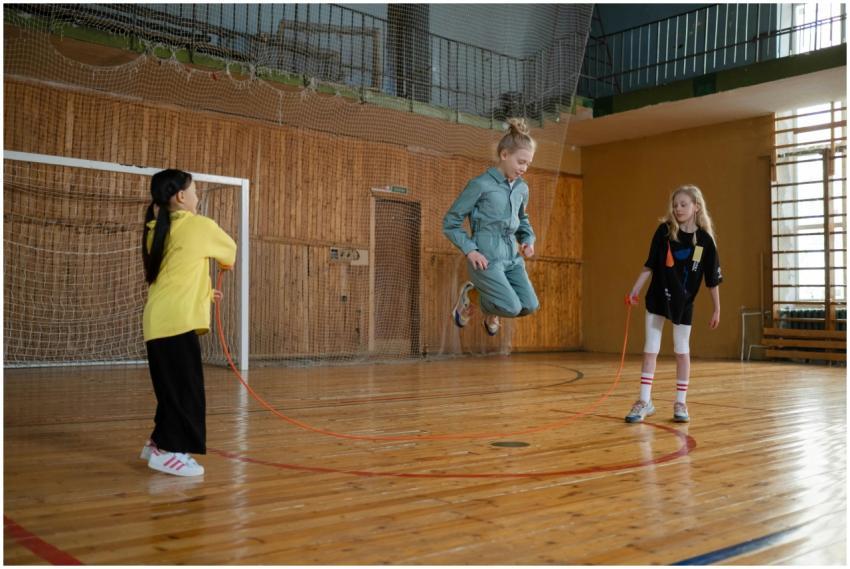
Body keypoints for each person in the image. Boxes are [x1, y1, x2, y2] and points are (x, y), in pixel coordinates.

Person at [138, 169, 237, 476]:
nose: (197, 197)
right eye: (195, 191)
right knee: (187, 392)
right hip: (177, 323)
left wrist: (204, 291)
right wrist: (222, 264)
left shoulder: (156, 229)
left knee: (172, 389)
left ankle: (157, 443)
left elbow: (176, 274)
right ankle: (169, 452)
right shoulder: (199, 226)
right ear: (181, 197)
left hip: (157, 322)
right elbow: (229, 252)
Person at [625, 184, 722, 423]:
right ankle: (644, 401)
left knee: (681, 350)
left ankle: (681, 402)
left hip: (684, 302)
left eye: (683, 204)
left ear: (696, 207)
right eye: (675, 204)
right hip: (657, 297)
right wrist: (635, 289)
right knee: (651, 349)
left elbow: (712, 280)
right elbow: (649, 264)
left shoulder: (705, 243)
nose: (678, 208)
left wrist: (717, 308)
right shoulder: (664, 232)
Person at [443, 118, 539, 336]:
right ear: (504, 155)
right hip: (487, 258)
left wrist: (527, 240)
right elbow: (451, 222)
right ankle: (474, 299)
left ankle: (480, 297)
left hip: (512, 258)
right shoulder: (480, 185)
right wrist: (471, 250)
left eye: (528, 164)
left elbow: (522, 220)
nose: (524, 168)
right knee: (511, 307)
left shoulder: (522, 188)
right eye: (521, 162)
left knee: (529, 306)